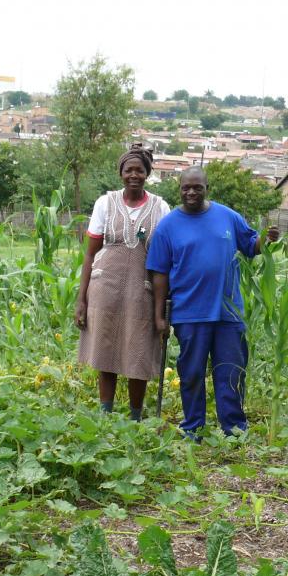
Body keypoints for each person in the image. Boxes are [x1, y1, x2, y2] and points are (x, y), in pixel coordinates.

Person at [145, 166, 278, 437]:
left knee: (231, 371)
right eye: (186, 188)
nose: (191, 192)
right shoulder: (168, 226)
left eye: (197, 187)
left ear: (207, 188)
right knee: (191, 372)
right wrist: (159, 316)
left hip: (228, 312)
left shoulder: (227, 216)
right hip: (189, 313)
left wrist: (266, 240)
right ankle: (193, 426)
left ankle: (234, 428)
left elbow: (250, 245)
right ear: (179, 189)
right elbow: (159, 274)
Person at [74, 144, 170, 420]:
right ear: (121, 173)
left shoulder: (160, 207)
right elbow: (90, 253)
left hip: (143, 290)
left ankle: (135, 417)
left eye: (140, 170)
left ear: (147, 173)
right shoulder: (106, 203)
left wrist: (163, 306)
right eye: (129, 170)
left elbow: (165, 257)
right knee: (106, 350)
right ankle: (105, 415)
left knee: (138, 352)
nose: (134, 175)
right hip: (105, 288)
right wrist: (81, 299)